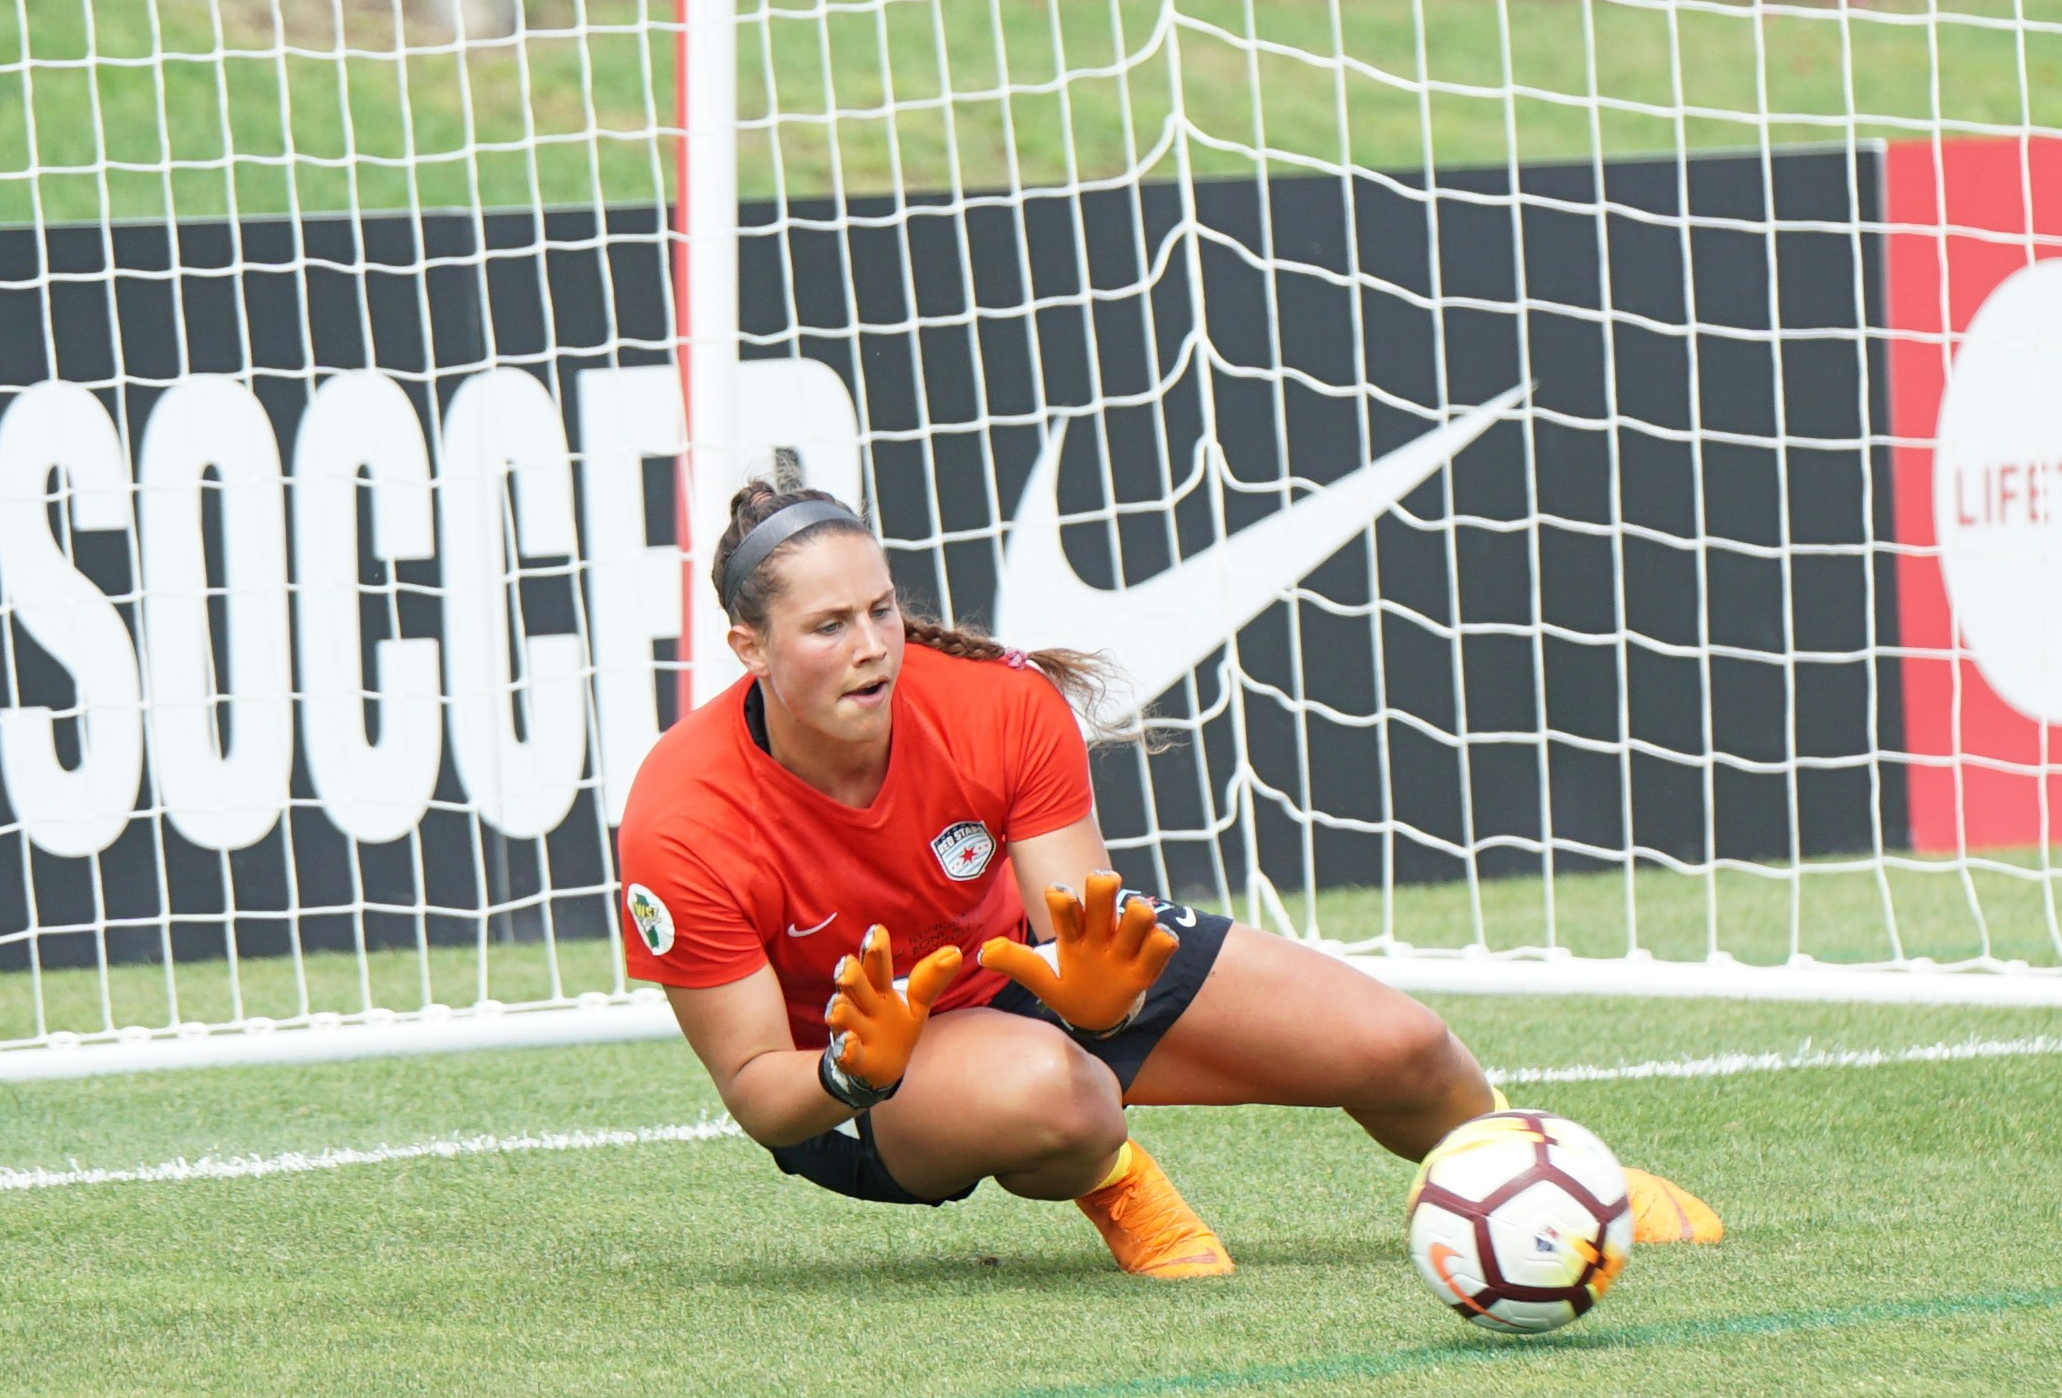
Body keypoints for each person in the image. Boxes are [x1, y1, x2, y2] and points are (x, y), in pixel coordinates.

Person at [620, 469, 1725, 1279]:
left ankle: (1553, 1184)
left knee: (1405, 1048)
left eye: (879, 609)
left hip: (1003, 984)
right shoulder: (681, 817)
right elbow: (761, 1093)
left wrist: (1085, 987)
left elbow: (1071, 922)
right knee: (1064, 1095)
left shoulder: (999, 705)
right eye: (826, 626)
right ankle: (1118, 1187)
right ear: (748, 651)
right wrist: (857, 1072)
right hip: (855, 1083)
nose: (872, 644)